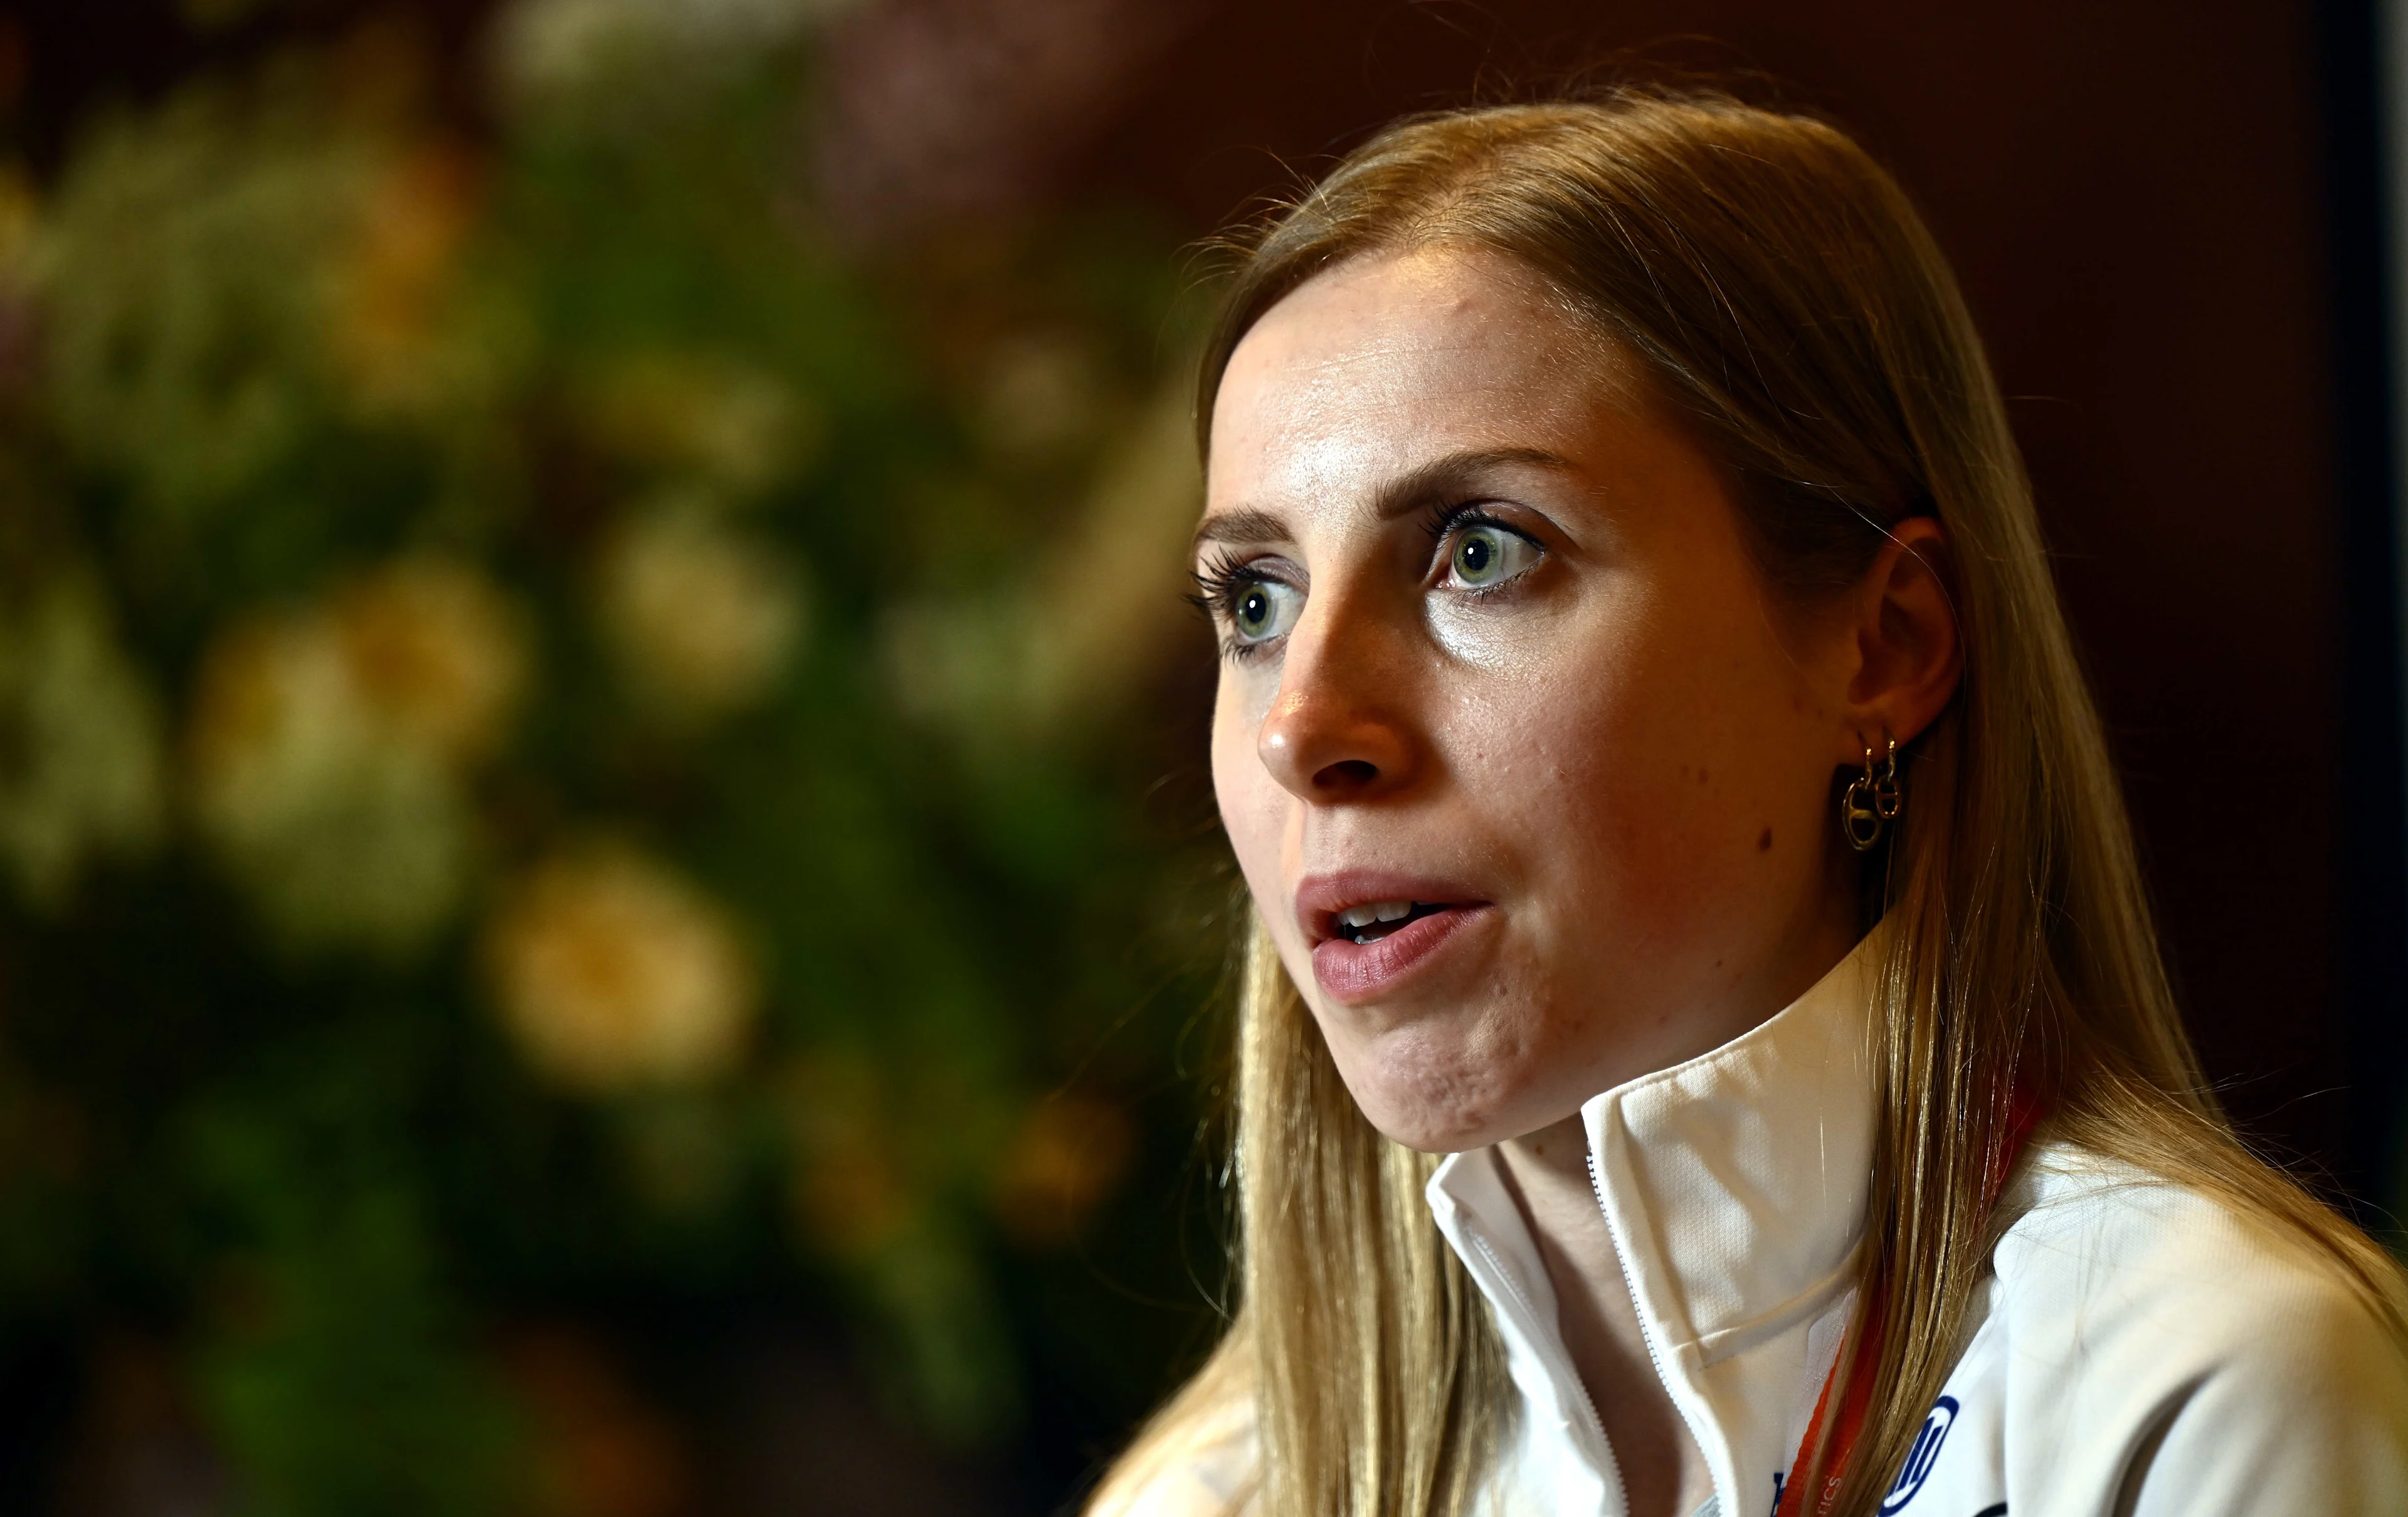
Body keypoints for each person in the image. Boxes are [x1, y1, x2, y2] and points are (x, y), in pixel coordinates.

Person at [1084, 87, 2408, 1517]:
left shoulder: (2195, 1397)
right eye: (1255, 599)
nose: (1301, 727)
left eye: (1480, 554)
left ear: (1884, 647)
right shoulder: (1212, 1496)